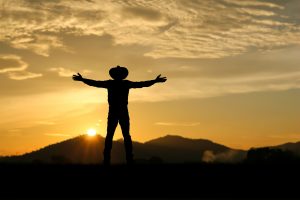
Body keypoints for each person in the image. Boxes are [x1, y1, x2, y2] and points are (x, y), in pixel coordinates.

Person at [72, 66, 167, 165]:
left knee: (115, 136)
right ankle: (120, 160)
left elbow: (96, 83)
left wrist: (82, 79)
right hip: (120, 112)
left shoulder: (113, 83)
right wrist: (155, 81)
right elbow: (141, 84)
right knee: (120, 136)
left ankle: (113, 160)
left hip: (117, 112)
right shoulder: (123, 83)